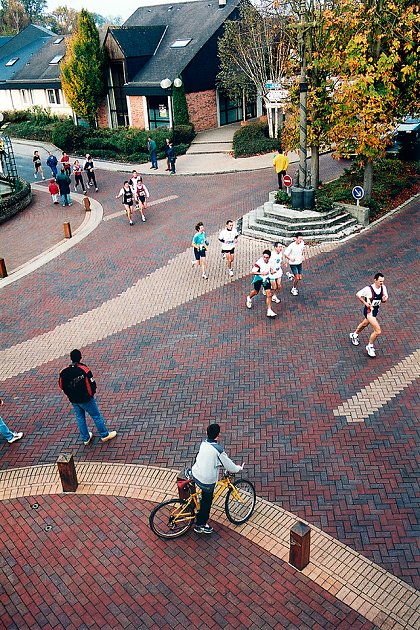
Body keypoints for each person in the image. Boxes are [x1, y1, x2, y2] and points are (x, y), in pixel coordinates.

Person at [191, 423, 243, 534]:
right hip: (206, 480)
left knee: (203, 496)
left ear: (206, 433)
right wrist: (238, 468)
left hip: (196, 473)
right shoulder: (218, 449)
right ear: (218, 435)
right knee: (207, 503)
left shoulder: (203, 443)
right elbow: (229, 466)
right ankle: (201, 525)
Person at [59, 349, 117, 445]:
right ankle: (104, 434)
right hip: (86, 399)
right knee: (96, 416)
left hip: (74, 399)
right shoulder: (84, 369)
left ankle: (86, 438)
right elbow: (91, 384)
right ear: (80, 357)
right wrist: (90, 395)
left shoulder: (64, 372)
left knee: (80, 417)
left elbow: (61, 385)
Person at [350, 273, 388, 358]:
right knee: (378, 331)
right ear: (375, 280)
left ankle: (354, 335)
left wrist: (384, 299)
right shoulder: (368, 289)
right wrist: (365, 303)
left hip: (375, 311)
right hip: (368, 311)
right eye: (380, 281)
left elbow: (383, 300)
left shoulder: (383, 288)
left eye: (382, 281)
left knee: (365, 324)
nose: (381, 283)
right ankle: (369, 346)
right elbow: (358, 294)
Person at [246, 249, 277, 317]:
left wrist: (272, 271)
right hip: (259, 278)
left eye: (267, 257)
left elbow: (270, 268)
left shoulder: (271, 261)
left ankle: (269, 310)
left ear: (269, 257)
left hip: (266, 278)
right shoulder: (259, 262)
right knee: (256, 292)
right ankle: (249, 297)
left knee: (269, 294)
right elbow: (253, 272)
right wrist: (261, 273)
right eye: (264, 257)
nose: (265, 259)